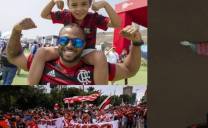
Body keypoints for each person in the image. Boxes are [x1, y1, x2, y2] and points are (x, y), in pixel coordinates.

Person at [7, 18, 143, 85]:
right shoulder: (42, 62)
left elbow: (129, 69)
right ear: (57, 42)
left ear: (84, 45)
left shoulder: (96, 67)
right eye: (64, 41)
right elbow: (14, 56)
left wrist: (136, 43)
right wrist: (16, 30)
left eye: (76, 42)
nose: (69, 45)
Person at [28, 0, 121, 85]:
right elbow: (44, 15)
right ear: (68, 5)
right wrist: (53, 1)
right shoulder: (65, 15)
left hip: (86, 52)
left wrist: (105, 4)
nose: (79, 9)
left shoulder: (94, 17)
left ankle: (100, 88)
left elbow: (117, 23)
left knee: (100, 57)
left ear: (90, 4)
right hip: (67, 48)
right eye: (74, 5)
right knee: (41, 51)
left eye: (84, 4)